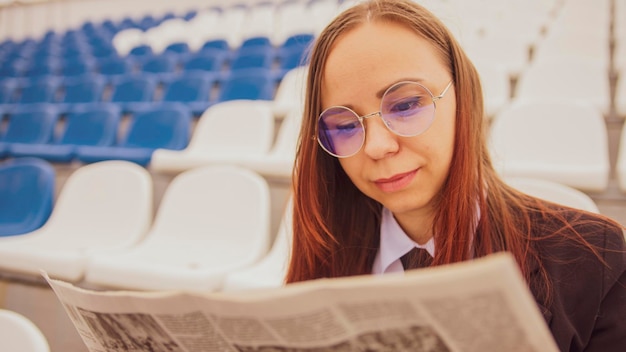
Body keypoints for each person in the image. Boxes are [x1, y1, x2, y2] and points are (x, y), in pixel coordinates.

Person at [285, 0, 626, 351]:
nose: (376, 146)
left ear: (463, 97)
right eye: (344, 125)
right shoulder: (326, 248)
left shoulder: (595, 256)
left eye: (405, 106)